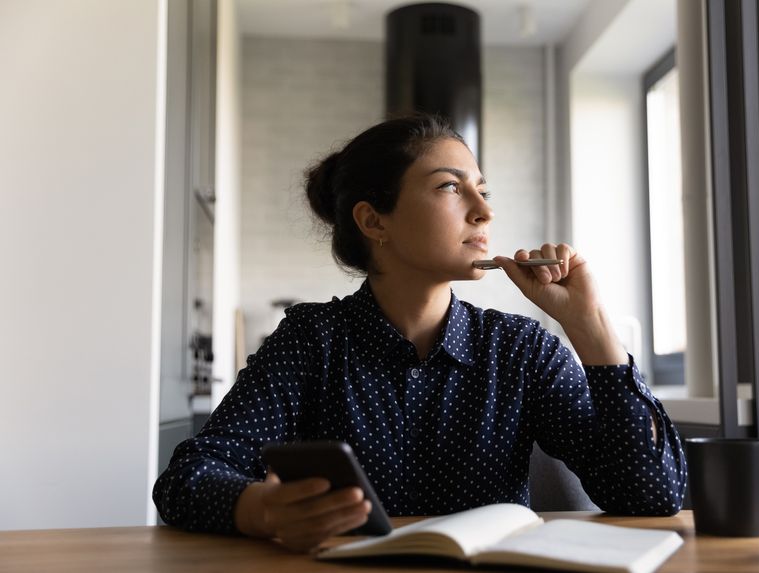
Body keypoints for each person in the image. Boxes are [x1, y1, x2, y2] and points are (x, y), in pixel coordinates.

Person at [153, 114, 687, 553]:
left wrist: (588, 324)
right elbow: (186, 480)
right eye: (450, 188)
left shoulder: (523, 349)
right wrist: (264, 510)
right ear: (374, 222)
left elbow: (653, 496)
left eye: (482, 189)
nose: (484, 210)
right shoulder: (312, 340)